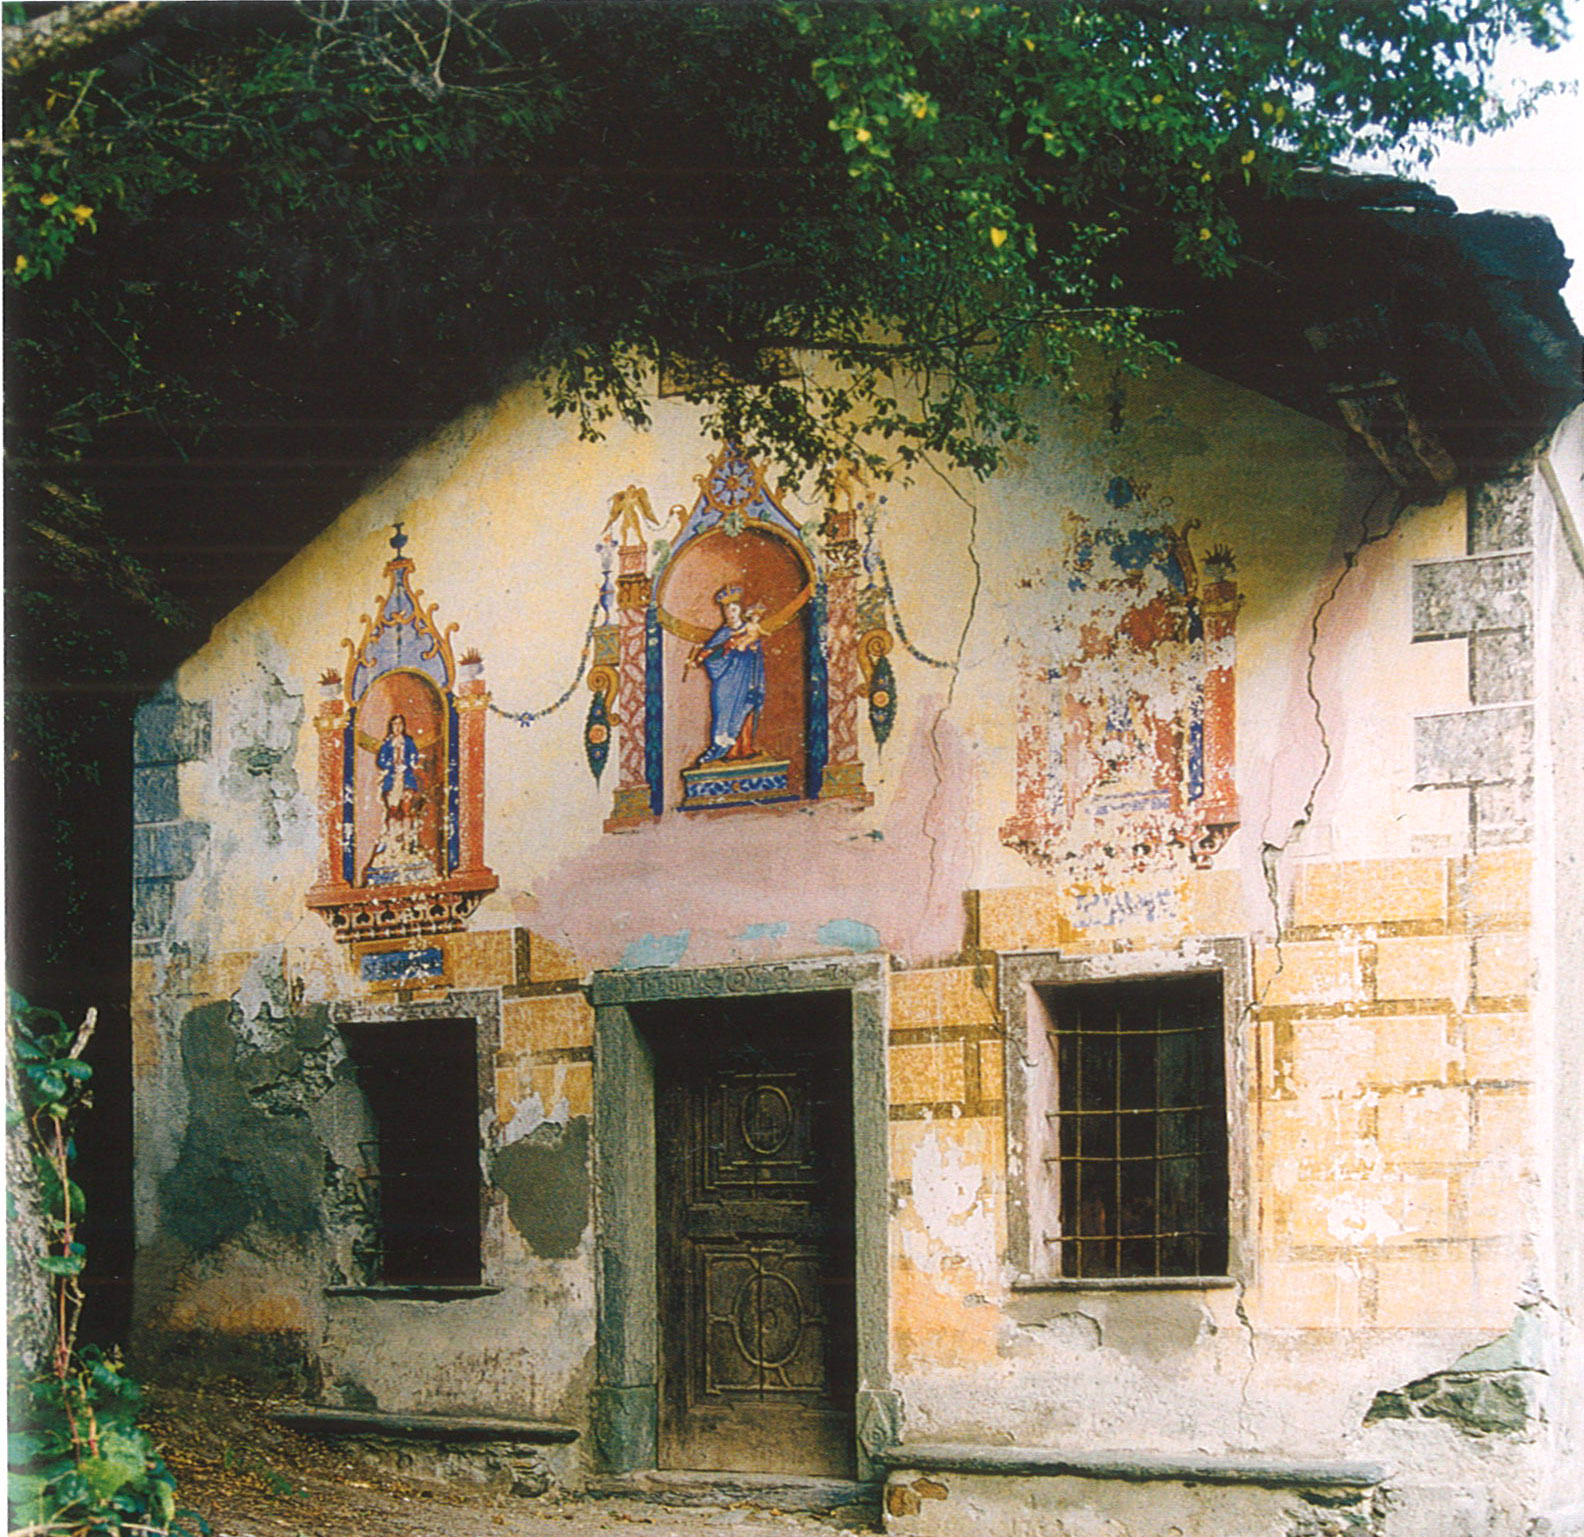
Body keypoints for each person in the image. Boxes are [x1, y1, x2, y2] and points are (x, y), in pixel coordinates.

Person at [688, 585, 767, 763]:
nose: (730, 613)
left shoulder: (750, 629)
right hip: (725, 681)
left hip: (746, 678)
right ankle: (722, 750)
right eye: (727, 610)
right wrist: (725, 649)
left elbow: (756, 653)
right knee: (723, 712)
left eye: (733, 609)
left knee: (746, 708)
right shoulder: (723, 634)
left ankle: (743, 748)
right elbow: (710, 657)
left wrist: (750, 649)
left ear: (740, 610)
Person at [375, 712, 424, 857]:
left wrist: (406, 765)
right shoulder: (387, 743)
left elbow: (414, 757)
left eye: (399, 724)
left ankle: (407, 842)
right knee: (392, 811)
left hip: (406, 778)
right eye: (394, 724)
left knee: (406, 810)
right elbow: (381, 760)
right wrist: (391, 766)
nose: (397, 727)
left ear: (403, 726)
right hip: (392, 779)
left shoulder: (408, 741)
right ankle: (392, 842)